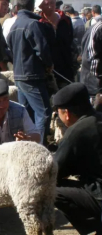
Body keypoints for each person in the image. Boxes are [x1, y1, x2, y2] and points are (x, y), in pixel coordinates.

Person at [53, 83, 102, 234]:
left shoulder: (76, 132)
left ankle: (96, 225)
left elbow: (56, 170)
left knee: (50, 189)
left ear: (66, 113)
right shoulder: (99, 118)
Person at [7, 0, 53, 144]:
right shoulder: (33, 24)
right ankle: (38, 146)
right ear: (33, 7)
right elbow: (43, 50)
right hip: (32, 75)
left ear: (18, 7)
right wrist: (49, 65)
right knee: (44, 113)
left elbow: (10, 51)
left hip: (19, 75)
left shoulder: (13, 26)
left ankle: (25, 144)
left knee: (25, 114)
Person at [36, 0, 75, 89]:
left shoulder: (65, 20)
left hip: (66, 68)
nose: (50, 6)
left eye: (52, 3)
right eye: (46, 4)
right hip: (48, 72)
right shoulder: (38, 23)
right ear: (40, 6)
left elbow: (70, 41)